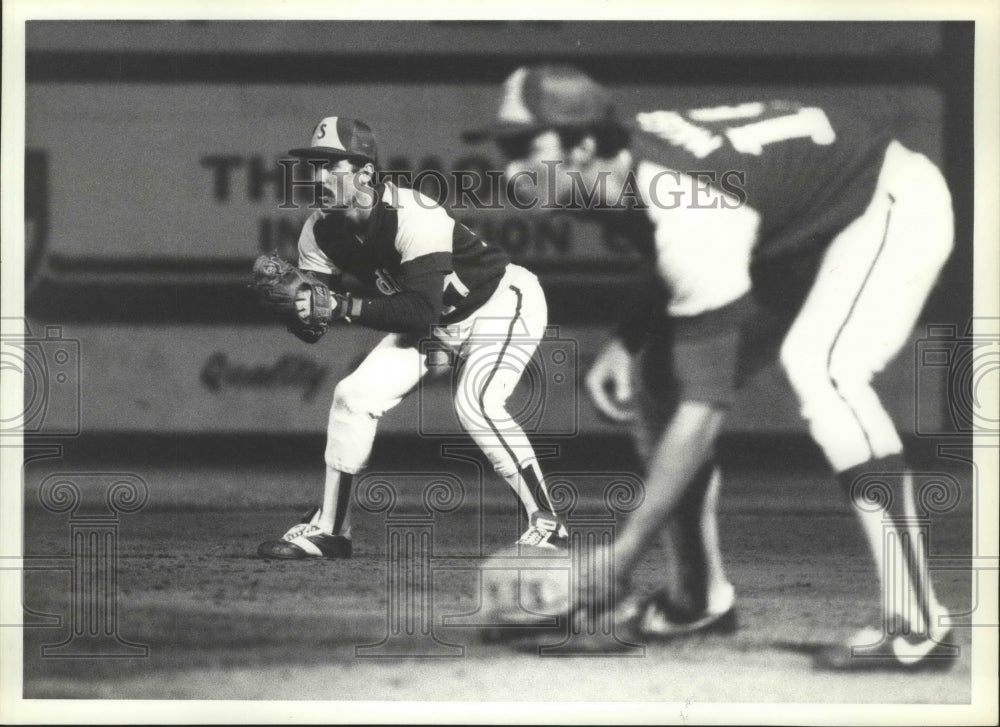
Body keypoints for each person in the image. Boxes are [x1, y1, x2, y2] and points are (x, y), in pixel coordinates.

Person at [465, 65, 956, 671]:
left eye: (522, 148)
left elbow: (705, 409)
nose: (508, 168)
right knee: (658, 383)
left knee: (825, 371)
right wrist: (628, 338)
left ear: (583, 145)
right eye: (502, 148)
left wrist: (621, 556)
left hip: (884, 202)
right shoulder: (613, 170)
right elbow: (668, 252)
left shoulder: (687, 202)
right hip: (792, 225)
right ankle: (695, 599)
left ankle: (918, 621)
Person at [255, 116, 568, 560]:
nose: (318, 176)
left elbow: (421, 310)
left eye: (331, 166)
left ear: (365, 173)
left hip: (499, 303)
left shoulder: (412, 212)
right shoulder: (319, 231)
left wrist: (340, 306)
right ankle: (331, 529)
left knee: (477, 403)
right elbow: (315, 322)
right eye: (313, 166)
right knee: (353, 395)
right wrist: (301, 313)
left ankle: (548, 524)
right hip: (436, 327)